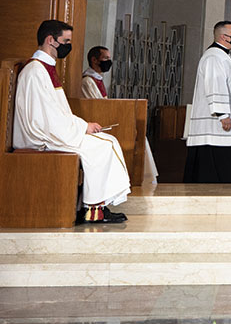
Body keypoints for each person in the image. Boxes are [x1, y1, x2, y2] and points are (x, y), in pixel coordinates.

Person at [14, 20, 130, 224]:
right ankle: (93, 210)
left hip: (53, 130)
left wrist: (83, 126)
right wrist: (83, 127)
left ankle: (96, 206)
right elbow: (46, 119)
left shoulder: (45, 68)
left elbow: (56, 112)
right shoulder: (35, 71)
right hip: (40, 137)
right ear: (51, 40)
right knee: (103, 146)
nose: (69, 46)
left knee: (106, 139)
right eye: (66, 41)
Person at [81, 44, 160, 185]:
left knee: (140, 137)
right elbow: (96, 107)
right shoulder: (87, 81)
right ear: (94, 60)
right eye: (105, 58)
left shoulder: (98, 79)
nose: (108, 62)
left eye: (109, 58)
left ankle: (144, 179)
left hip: (104, 120)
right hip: (97, 125)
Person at [184, 21, 231, 183]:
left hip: (222, 130)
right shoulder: (214, 57)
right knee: (218, 168)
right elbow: (215, 85)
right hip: (217, 128)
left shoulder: (223, 56)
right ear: (223, 36)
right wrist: (223, 114)